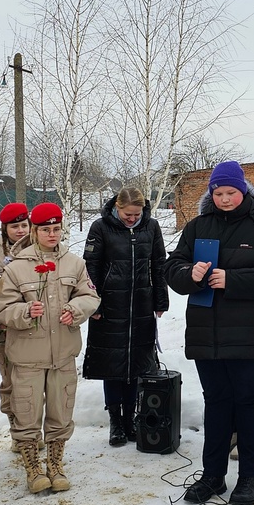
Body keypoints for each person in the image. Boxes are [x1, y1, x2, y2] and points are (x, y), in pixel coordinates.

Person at [165, 161, 254, 505]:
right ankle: (213, 476)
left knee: (249, 404)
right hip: (207, 334)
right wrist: (188, 272)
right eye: (218, 193)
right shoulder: (198, 226)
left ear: (244, 191)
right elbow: (171, 268)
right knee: (217, 403)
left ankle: (251, 477)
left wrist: (233, 280)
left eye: (231, 193)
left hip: (250, 333)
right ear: (211, 194)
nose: (224, 199)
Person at [0, 203, 98, 494]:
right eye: (45, 229)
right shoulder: (16, 267)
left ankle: (55, 465)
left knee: (61, 411)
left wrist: (76, 309)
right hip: (28, 356)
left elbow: (90, 295)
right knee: (26, 413)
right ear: (35, 231)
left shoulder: (74, 263)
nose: (52, 234)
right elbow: (1, 309)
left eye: (56, 229)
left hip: (63, 353)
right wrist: (25, 311)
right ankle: (33, 468)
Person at [82, 187, 169, 448]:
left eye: (136, 214)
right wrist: (94, 303)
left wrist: (160, 299)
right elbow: (91, 267)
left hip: (141, 303)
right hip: (110, 304)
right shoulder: (101, 227)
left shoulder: (151, 227)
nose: (131, 218)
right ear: (116, 208)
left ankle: (131, 419)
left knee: (137, 364)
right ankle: (116, 421)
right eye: (126, 214)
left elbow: (158, 263)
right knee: (113, 364)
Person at [0, 202, 30, 428]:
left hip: (35, 326)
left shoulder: (39, 250)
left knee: (31, 381)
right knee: (10, 379)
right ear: (5, 229)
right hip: (5, 328)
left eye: (24, 225)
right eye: (15, 227)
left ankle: (32, 427)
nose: (21, 231)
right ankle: (16, 426)